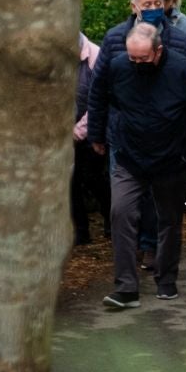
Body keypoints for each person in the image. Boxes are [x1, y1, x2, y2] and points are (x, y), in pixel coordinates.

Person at [88, 23, 186, 308]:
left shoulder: (183, 70)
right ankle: (126, 287)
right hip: (129, 154)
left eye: (144, 58)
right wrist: (97, 135)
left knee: (169, 220)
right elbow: (99, 97)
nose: (138, 64)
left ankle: (166, 280)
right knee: (121, 213)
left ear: (158, 50)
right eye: (133, 59)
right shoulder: (117, 66)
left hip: (170, 158)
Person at [72, 32, 110, 245]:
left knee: (95, 177)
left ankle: (111, 219)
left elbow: (99, 100)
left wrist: (78, 131)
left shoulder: (96, 55)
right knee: (71, 181)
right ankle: (81, 230)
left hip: (94, 129)